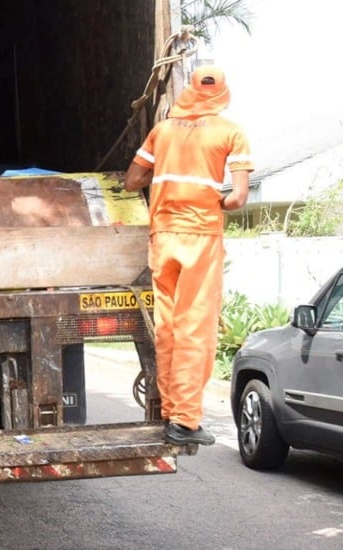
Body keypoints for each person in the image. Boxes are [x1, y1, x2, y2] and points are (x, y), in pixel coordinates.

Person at [124, 65, 253, 446]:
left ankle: (170, 410)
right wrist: (218, 201)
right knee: (195, 328)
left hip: (163, 236)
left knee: (167, 326)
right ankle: (184, 419)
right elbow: (239, 197)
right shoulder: (230, 131)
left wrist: (167, 176)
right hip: (200, 237)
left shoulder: (161, 131)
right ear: (220, 92)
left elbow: (133, 180)